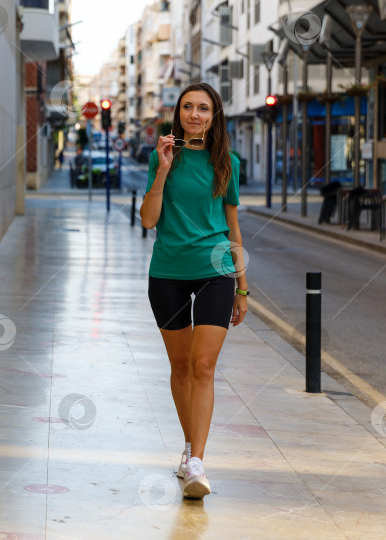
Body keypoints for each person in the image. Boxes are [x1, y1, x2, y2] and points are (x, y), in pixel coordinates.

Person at [139, 82, 249, 499]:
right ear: (178, 114)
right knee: (181, 366)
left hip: (215, 270)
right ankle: (188, 450)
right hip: (167, 271)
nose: (195, 114)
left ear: (214, 116)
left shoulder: (228, 163)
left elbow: (233, 226)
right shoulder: (161, 158)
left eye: (204, 108)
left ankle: (197, 461)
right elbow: (149, 220)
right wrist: (164, 169)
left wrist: (242, 287)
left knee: (204, 366)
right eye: (188, 107)